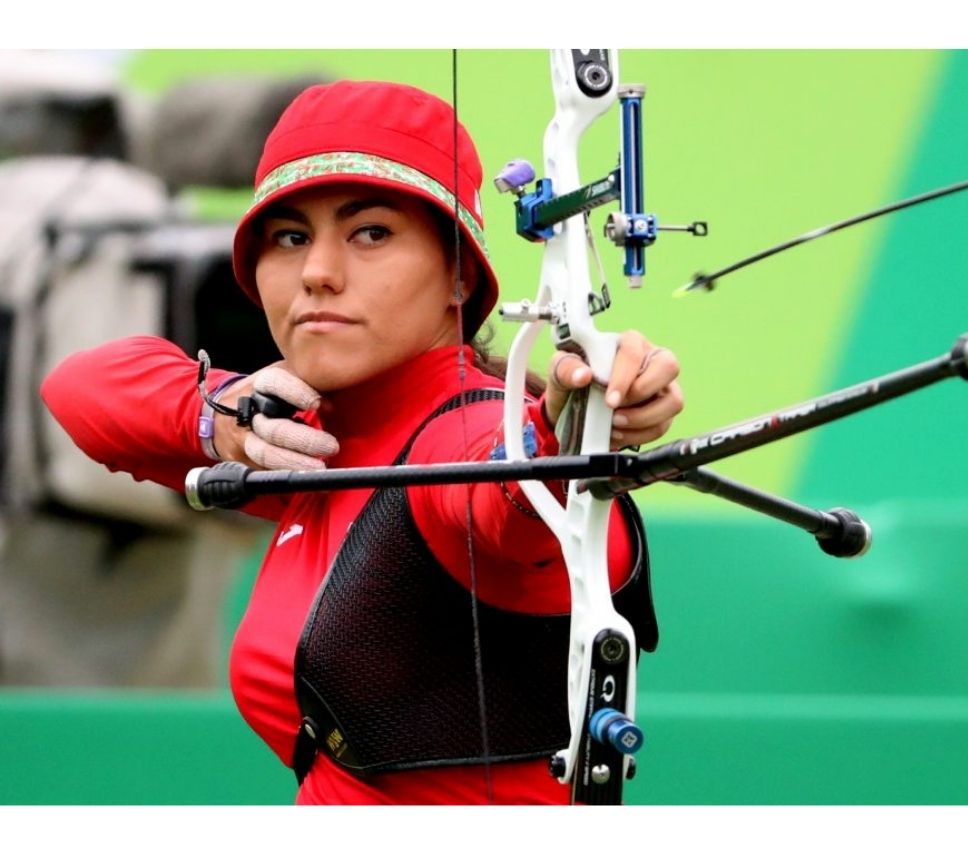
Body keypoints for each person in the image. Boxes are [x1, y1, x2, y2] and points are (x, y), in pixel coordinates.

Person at [40, 80, 682, 805]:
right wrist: (218, 420)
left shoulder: (464, 431)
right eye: (290, 237)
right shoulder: (305, 436)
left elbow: (502, 493)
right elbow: (78, 389)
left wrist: (567, 434)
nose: (317, 272)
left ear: (459, 274)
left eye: (371, 232)